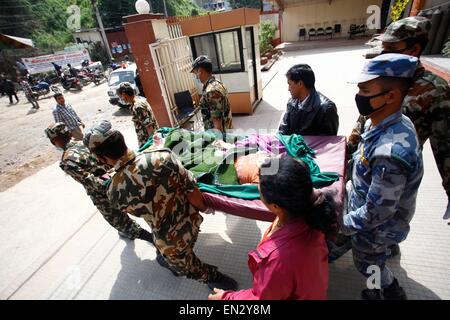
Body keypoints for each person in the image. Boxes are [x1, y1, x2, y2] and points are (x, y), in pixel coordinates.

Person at [83, 120, 238, 291]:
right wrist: (204, 208)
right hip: (192, 219)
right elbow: (191, 189)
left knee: (180, 266)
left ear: (100, 157)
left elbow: (138, 212)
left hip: (170, 240)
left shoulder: (114, 191)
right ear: (122, 140)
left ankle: (214, 277)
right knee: (163, 256)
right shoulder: (162, 156)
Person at [336, 54, 424, 300]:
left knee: (368, 263)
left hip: (378, 225)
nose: (359, 96)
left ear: (391, 96)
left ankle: (385, 290)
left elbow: (377, 213)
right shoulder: (382, 121)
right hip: (368, 208)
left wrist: (339, 226)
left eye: (365, 90)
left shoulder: (391, 151)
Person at [347, 16, 450, 220]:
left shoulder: (435, 91)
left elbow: (446, 147)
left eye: (391, 48)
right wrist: (348, 151)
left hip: (392, 173)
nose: (384, 53)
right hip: (365, 163)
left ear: (413, 50)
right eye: (383, 47)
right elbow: (364, 119)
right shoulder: (381, 76)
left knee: (378, 222)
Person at [209, 155, 334, 300]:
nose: (258, 187)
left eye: (259, 187)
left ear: (275, 206)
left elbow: (262, 300)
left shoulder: (278, 260)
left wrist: (225, 297)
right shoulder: (313, 210)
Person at [44, 122, 154, 243]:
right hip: (119, 178)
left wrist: (109, 183)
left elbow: (91, 182)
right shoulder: (85, 143)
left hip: (104, 193)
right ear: (69, 133)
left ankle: (153, 241)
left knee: (121, 223)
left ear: (54, 141)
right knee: (143, 210)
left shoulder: (67, 161)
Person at [278, 64, 339, 136]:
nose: (288, 89)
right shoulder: (291, 103)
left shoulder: (326, 109)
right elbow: (282, 132)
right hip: (293, 146)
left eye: (290, 84)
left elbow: (327, 142)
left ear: (300, 84)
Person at [191, 55, 233, 134]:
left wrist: (218, 142)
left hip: (219, 137)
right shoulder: (217, 83)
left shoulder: (211, 91)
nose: (196, 76)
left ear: (200, 71)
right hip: (226, 133)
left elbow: (217, 120)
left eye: (195, 73)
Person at [117, 82, 158, 148]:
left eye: (120, 96)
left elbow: (149, 126)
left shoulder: (137, 106)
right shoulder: (139, 99)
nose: (121, 99)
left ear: (124, 94)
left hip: (147, 143)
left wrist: (153, 145)